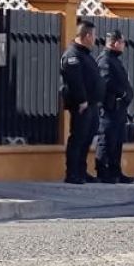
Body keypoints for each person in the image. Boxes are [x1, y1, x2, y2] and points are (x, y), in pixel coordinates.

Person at [59, 19, 104, 184]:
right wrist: (82, 101)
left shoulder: (85, 55)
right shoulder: (72, 55)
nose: (94, 39)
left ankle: (81, 171)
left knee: (86, 138)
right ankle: (72, 173)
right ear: (86, 36)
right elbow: (74, 81)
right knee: (78, 138)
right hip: (81, 105)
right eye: (93, 36)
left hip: (91, 104)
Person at [96, 30, 134, 184]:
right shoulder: (105, 60)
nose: (124, 46)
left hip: (119, 109)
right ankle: (104, 171)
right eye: (122, 42)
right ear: (114, 43)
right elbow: (106, 82)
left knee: (117, 140)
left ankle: (115, 171)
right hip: (109, 108)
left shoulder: (114, 60)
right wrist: (122, 94)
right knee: (107, 139)